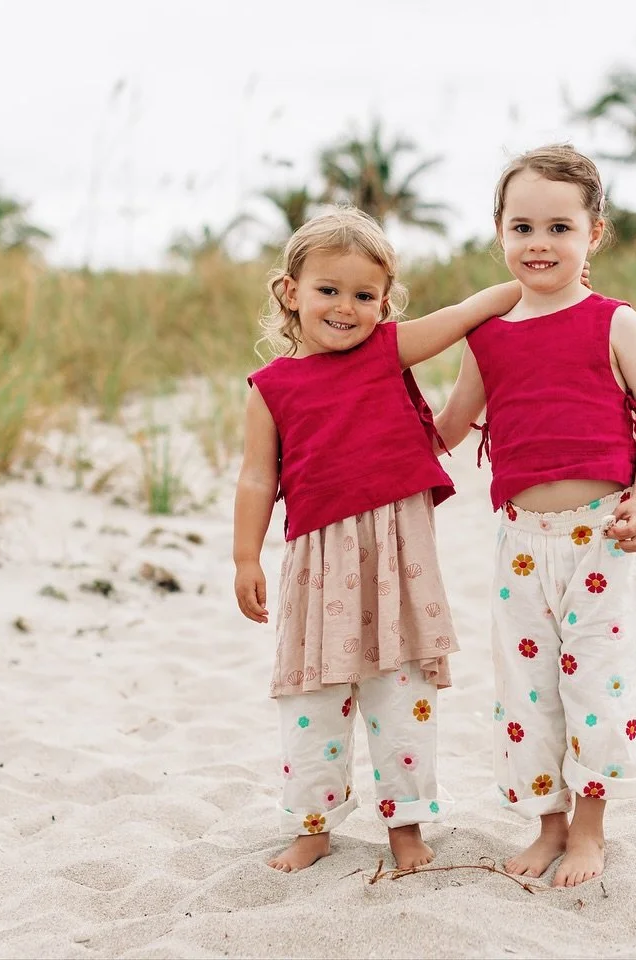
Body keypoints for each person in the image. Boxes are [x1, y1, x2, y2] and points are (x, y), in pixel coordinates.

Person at [234, 207, 523, 873]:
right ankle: (312, 825)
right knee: (313, 701)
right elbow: (256, 478)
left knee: (403, 697)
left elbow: (466, 312)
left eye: (364, 295)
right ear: (291, 293)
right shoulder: (270, 389)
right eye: (327, 290)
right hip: (319, 566)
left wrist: (534, 286)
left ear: (384, 303)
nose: (345, 307)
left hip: (399, 562)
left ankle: (406, 828)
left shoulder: (387, 349)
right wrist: (245, 555)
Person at [435, 145, 636, 888]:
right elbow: (447, 430)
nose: (540, 244)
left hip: (603, 537)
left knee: (598, 689)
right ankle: (548, 824)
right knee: (528, 692)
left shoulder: (615, 323)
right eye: (523, 227)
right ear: (500, 233)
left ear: (593, 234)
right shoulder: (490, 334)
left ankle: (591, 831)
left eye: (560, 228)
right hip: (520, 544)